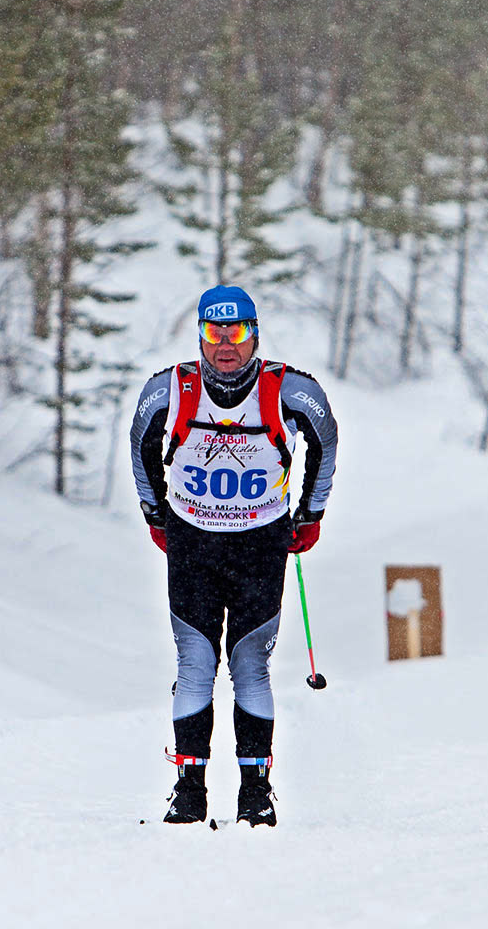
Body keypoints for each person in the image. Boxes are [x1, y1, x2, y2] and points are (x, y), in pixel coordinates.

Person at [130, 285, 338, 826]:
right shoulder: (170, 389)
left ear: (254, 334)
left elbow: (326, 438)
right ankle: (189, 791)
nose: (226, 344)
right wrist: (156, 516)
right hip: (194, 542)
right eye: (214, 332)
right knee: (195, 665)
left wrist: (310, 515)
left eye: (237, 332)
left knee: (250, 666)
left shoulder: (287, 387)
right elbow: (140, 445)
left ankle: (255, 793)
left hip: (259, 544)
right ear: (200, 334)